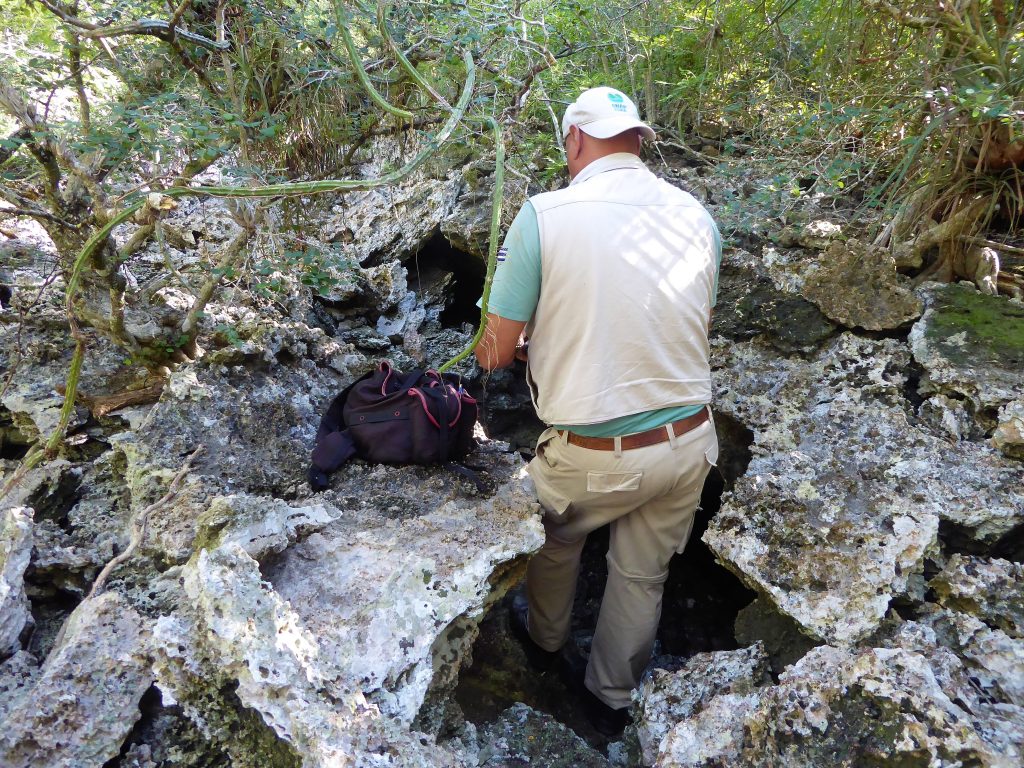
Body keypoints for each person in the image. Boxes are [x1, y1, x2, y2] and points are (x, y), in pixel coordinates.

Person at [473, 86, 721, 735]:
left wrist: (522, 337)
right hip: (691, 441)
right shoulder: (697, 216)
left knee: (553, 536)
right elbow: (680, 325)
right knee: (642, 575)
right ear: (638, 139)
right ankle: (609, 703)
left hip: (595, 456)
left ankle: (544, 646)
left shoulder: (544, 215)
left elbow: (496, 353)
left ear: (575, 141)